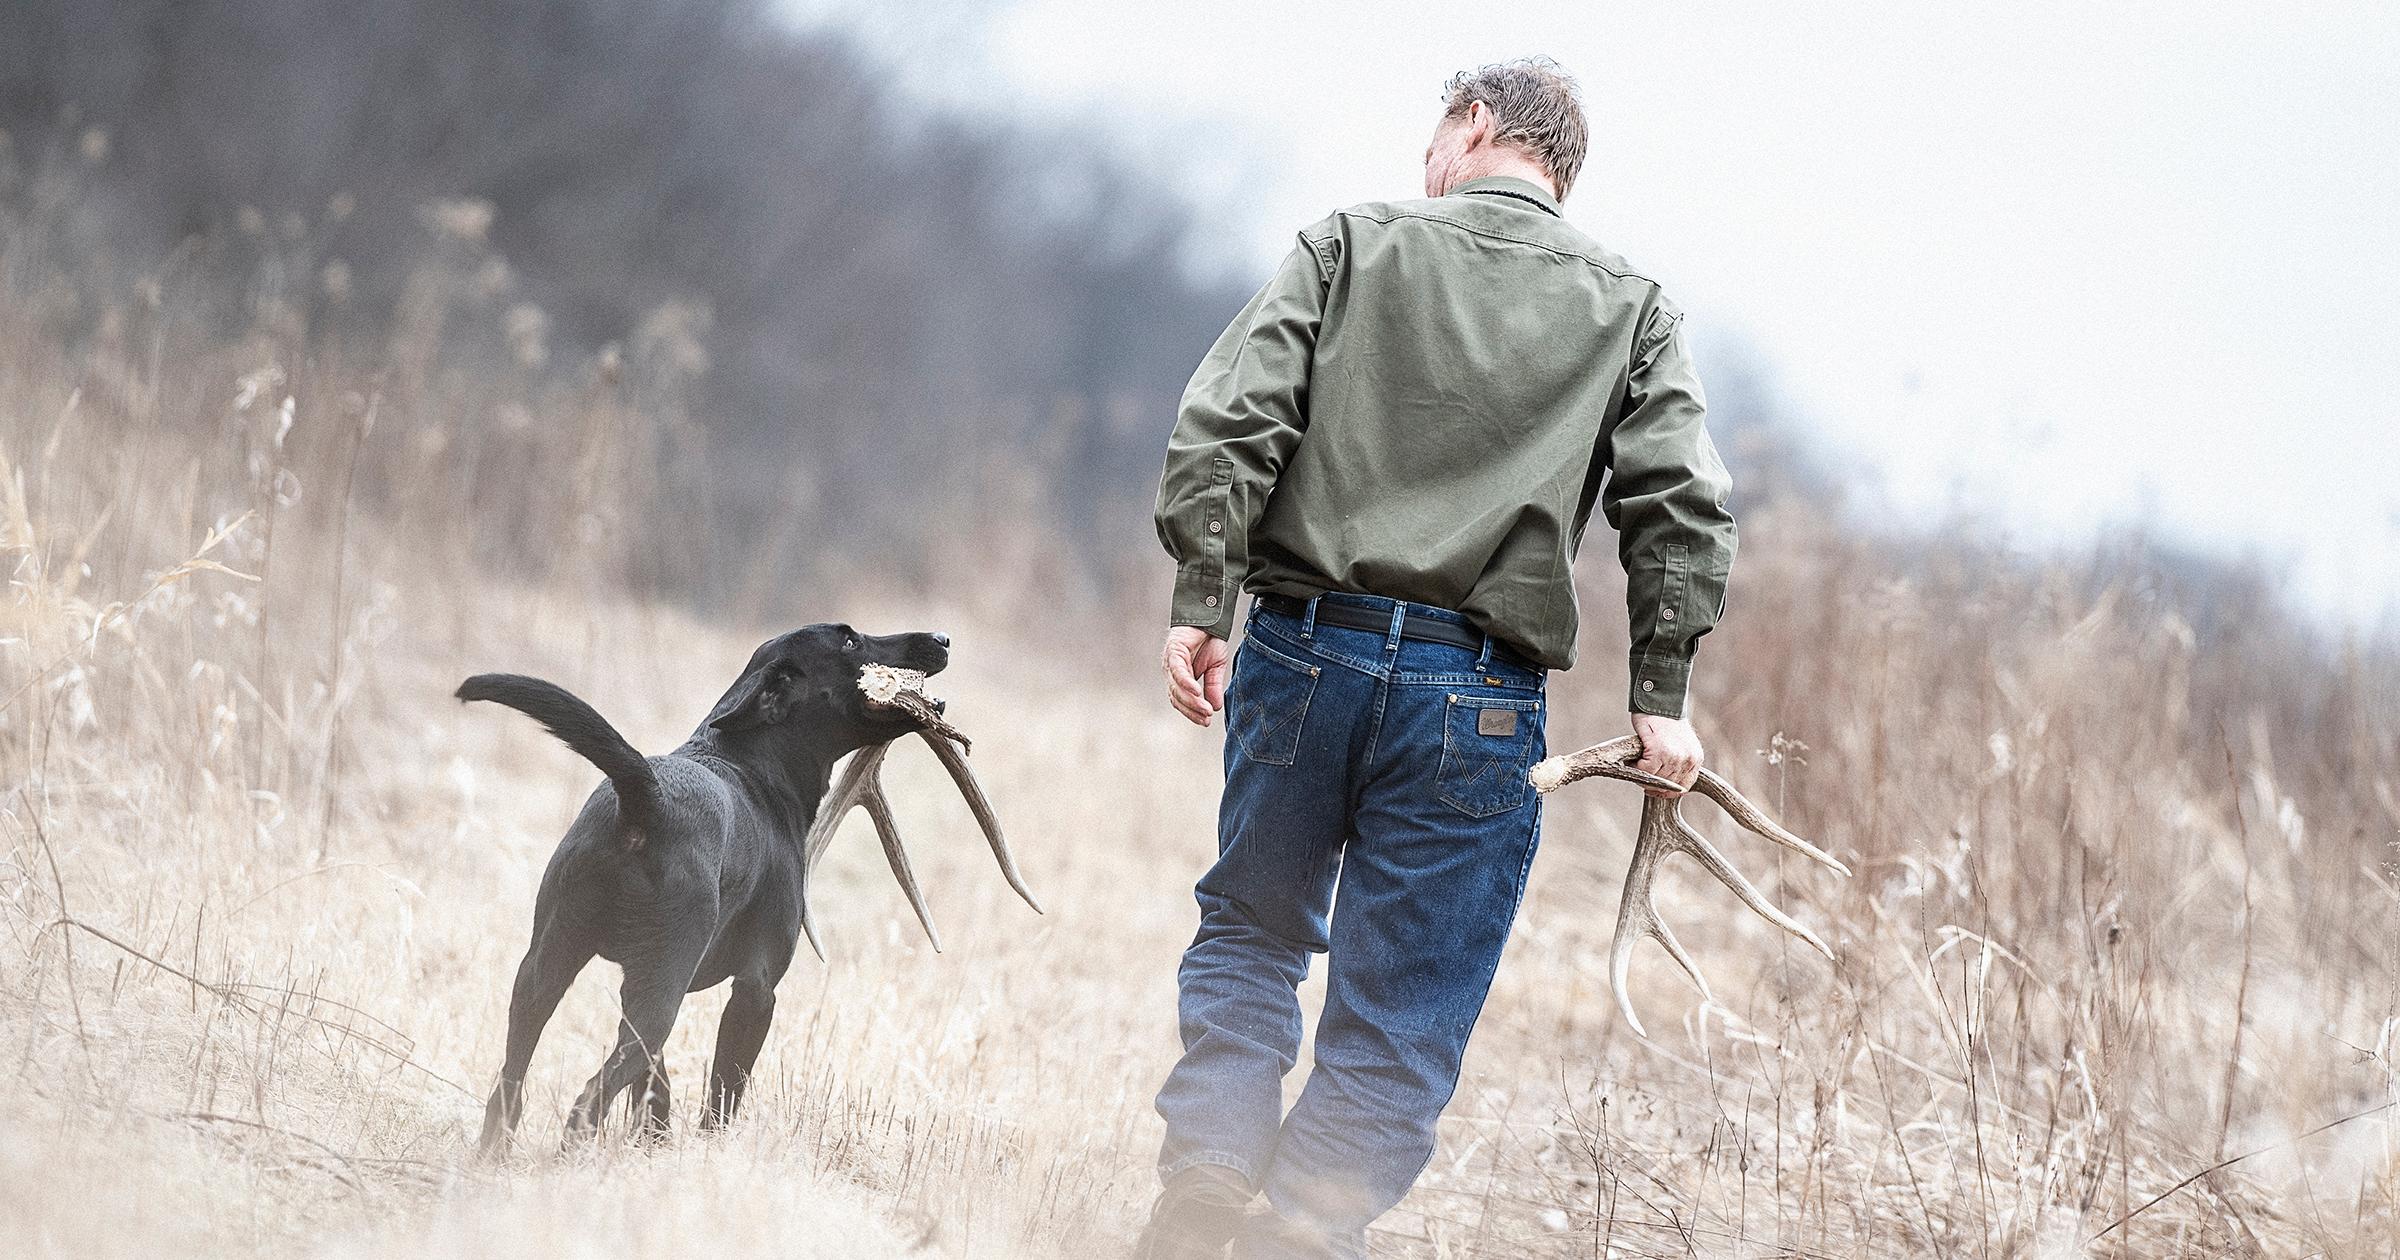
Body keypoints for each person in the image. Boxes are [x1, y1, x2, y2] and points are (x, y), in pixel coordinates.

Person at [1135, 56, 1740, 1260]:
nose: (1426, 161)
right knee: (1401, 1015)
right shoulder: (1631, 304)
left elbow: (1228, 426)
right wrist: (1661, 696)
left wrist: (1204, 598)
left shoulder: (1349, 245)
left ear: (1473, 126)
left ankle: (1205, 1182)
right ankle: (1298, 1232)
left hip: (1305, 656)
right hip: (1479, 702)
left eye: (1435, 133)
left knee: (1254, 932)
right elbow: (1681, 511)